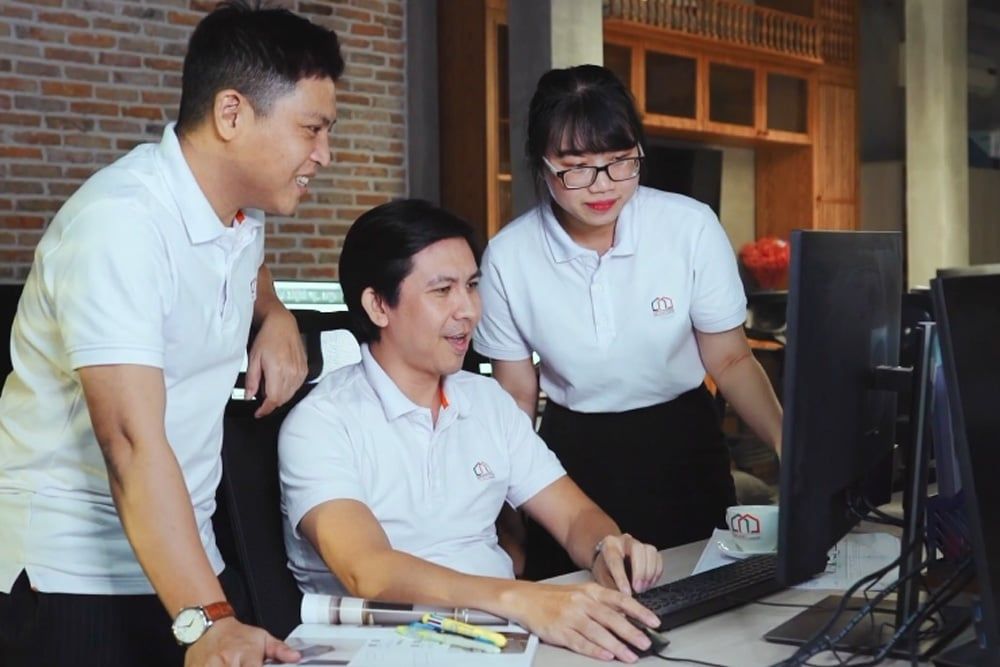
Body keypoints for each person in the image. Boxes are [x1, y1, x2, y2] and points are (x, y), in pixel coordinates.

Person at [0, 3, 343, 666]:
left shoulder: (237, 214)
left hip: (189, 563)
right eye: (312, 129)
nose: (324, 155)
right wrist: (207, 618)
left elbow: (243, 264)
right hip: (75, 576)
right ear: (232, 113)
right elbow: (129, 443)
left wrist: (274, 314)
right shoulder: (119, 226)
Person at [278, 199, 664, 664]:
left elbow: (574, 516)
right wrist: (521, 598)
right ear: (378, 305)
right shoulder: (321, 424)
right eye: (443, 291)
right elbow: (370, 572)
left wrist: (607, 548)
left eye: (472, 286)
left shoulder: (486, 402)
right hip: (374, 648)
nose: (469, 310)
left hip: (500, 638)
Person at [473, 64, 783, 580]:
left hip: (683, 443)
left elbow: (730, 359)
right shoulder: (509, 256)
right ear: (542, 164)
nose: (603, 186)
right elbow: (517, 396)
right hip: (572, 458)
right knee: (583, 601)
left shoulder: (689, 227)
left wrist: (784, 440)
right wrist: (502, 507)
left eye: (620, 162)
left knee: (705, 594)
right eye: (576, 168)